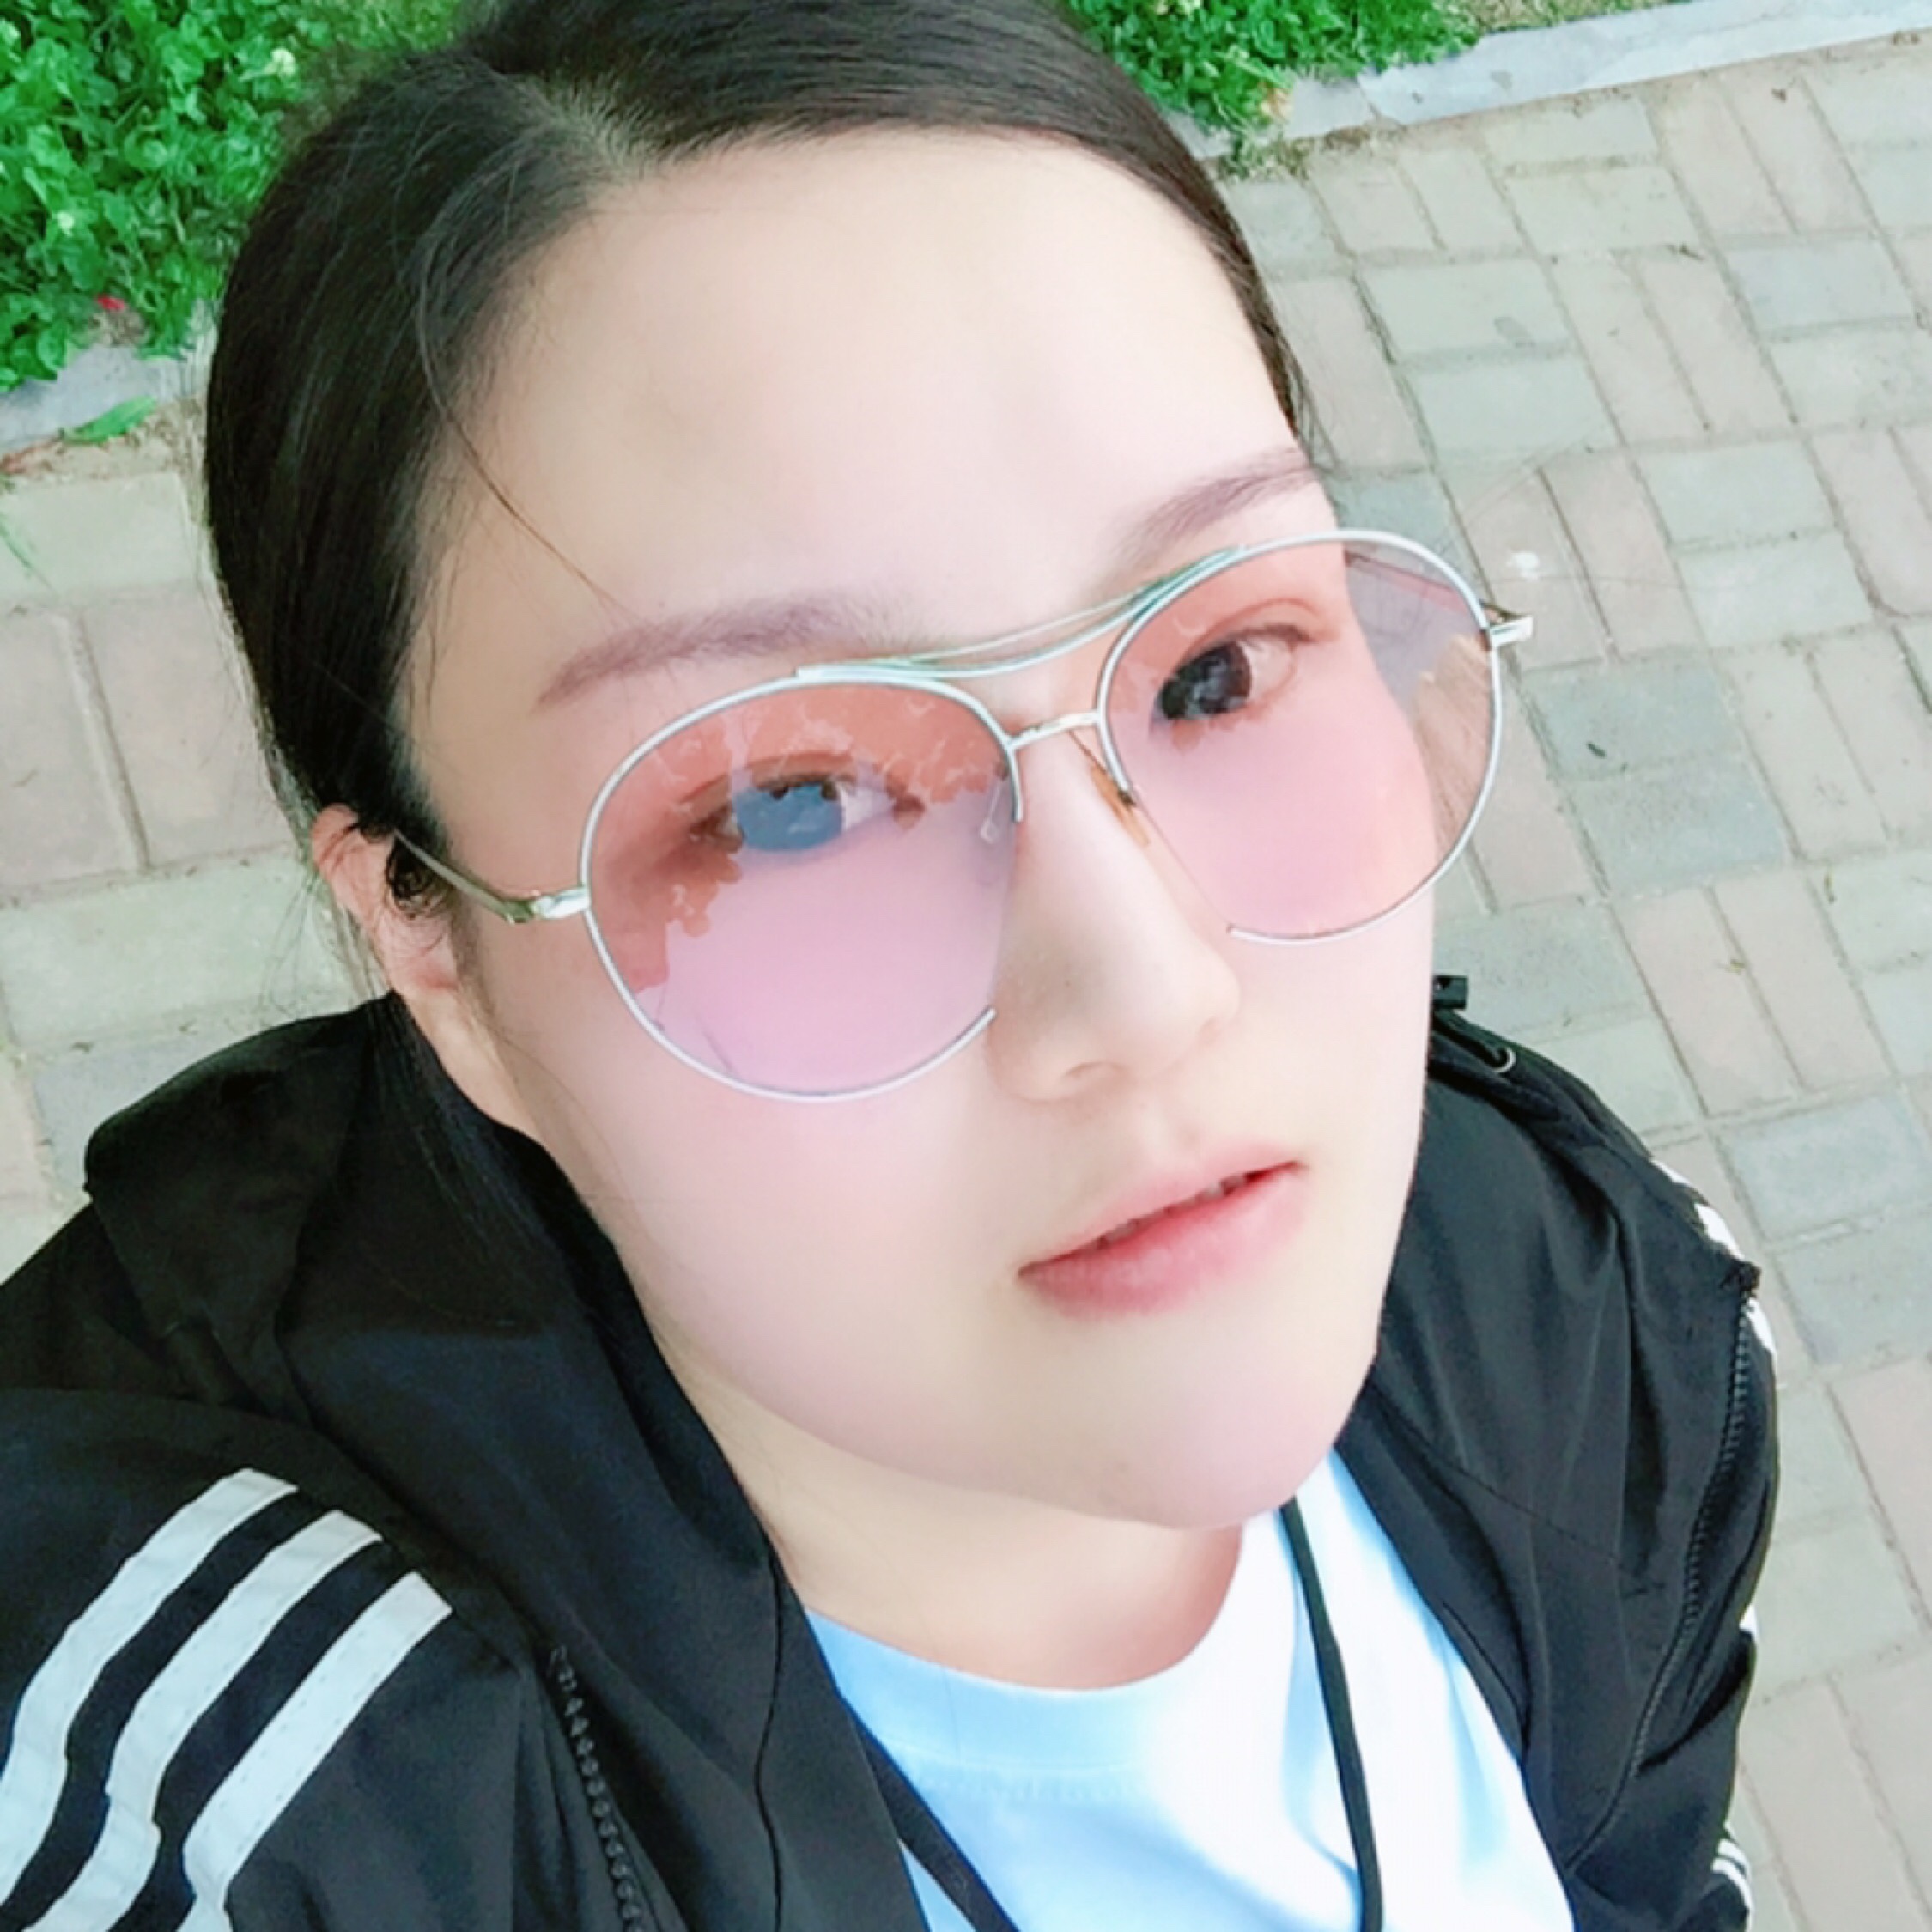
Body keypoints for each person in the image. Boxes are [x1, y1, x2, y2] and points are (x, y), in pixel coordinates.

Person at [0, 2, 1776, 1927]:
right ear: (428, 940)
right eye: (790, 807)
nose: (1147, 993)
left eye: (1213, 668)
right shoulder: (249, 1815)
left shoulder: (1595, 1316)